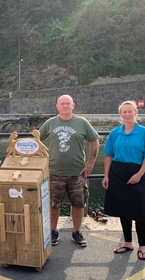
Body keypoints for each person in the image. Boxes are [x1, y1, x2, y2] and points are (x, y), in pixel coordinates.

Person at [39, 95, 99, 247]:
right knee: (53, 204)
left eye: (68, 103)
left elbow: (94, 140)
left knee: (79, 204)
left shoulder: (82, 123)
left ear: (73, 105)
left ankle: (77, 232)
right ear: (57, 106)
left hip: (77, 173)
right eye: (62, 104)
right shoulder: (50, 123)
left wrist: (90, 163)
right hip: (54, 172)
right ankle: (52, 231)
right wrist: (43, 162)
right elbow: (36, 140)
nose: (65, 106)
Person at [102, 100, 145, 260]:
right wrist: (106, 175)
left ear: (136, 113)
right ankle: (127, 242)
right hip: (117, 175)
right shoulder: (114, 133)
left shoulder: (144, 132)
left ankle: (143, 247)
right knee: (123, 210)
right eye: (124, 112)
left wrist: (139, 174)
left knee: (140, 211)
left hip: (137, 174)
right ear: (120, 114)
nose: (127, 114)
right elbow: (108, 155)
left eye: (130, 111)